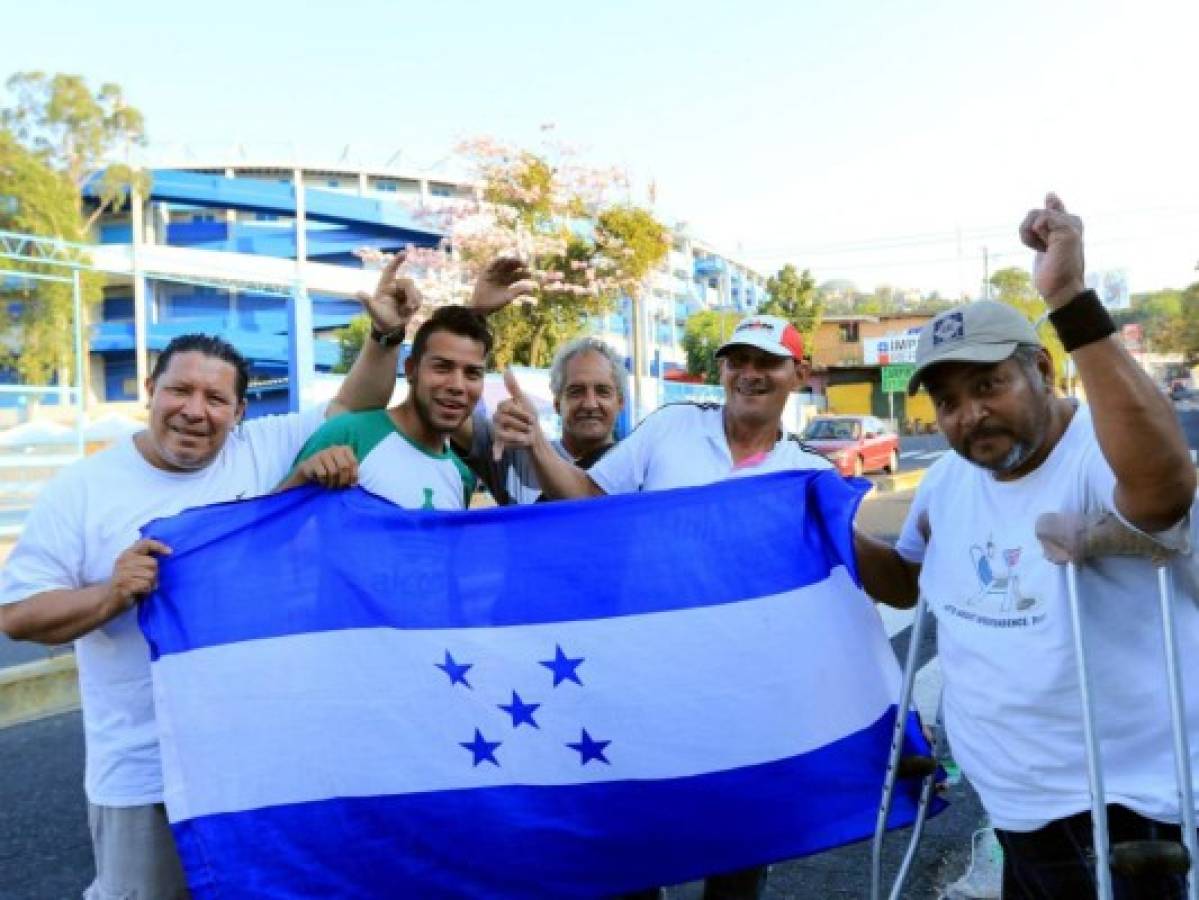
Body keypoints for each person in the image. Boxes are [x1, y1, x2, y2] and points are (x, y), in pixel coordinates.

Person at [0, 253, 422, 899]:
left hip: (254, 758)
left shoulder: (261, 449)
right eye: (179, 390)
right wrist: (111, 593)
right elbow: (18, 616)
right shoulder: (82, 489)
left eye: (215, 398)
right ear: (150, 390)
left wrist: (386, 336)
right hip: (142, 773)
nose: (194, 410)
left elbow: (352, 402)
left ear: (240, 411)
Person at [855, 194, 1199, 899]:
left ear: (1040, 369)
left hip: (1125, 809)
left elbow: (1162, 490)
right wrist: (824, 528)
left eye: (988, 384)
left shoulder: (1097, 452)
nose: (968, 413)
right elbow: (903, 586)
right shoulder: (947, 480)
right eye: (946, 401)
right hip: (1012, 801)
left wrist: (1069, 298)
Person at [492, 313, 831, 900]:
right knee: (635, 850)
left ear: (797, 374)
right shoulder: (672, 427)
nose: (749, 374)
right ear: (722, 370)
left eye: (767, 362)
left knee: (737, 861)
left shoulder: (811, 475)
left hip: (746, 705)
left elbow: (844, 603)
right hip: (648, 689)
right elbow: (591, 499)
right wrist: (538, 448)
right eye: (738, 361)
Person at [281, 257, 537, 508]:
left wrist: (476, 313)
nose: (457, 385)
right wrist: (302, 475)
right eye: (442, 367)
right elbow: (267, 528)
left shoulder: (462, 475)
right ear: (411, 370)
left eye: (472, 373)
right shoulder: (348, 435)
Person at [458, 335, 627, 504]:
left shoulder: (639, 467)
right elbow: (448, 412)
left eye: (603, 391)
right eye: (576, 391)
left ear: (621, 403)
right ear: (557, 404)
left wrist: (537, 442)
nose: (590, 404)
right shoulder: (516, 453)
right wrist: (473, 315)